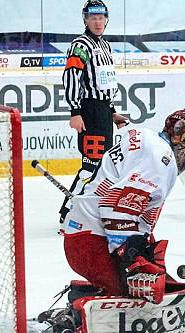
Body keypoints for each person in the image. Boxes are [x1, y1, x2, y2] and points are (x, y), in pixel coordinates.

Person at [37, 106, 185, 333]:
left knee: (142, 280)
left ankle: (85, 292)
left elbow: (128, 140)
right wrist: (130, 254)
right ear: (183, 138)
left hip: (85, 235)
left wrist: (141, 243)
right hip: (90, 243)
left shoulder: (146, 136)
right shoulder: (162, 161)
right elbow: (114, 205)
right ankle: (73, 319)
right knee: (138, 293)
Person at [59, 0, 128, 223]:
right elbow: (71, 77)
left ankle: (85, 210)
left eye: (101, 18)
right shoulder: (81, 45)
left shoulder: (104, 46)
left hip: (102, 112)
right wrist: (75, 111)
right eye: (93, 18)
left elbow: (103, 83)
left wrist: (112, 112)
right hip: (88, 111)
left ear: (106, 20)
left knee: (103, 165)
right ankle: (68, 213)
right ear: (85, 20)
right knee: (91, 165)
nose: (97, 22)